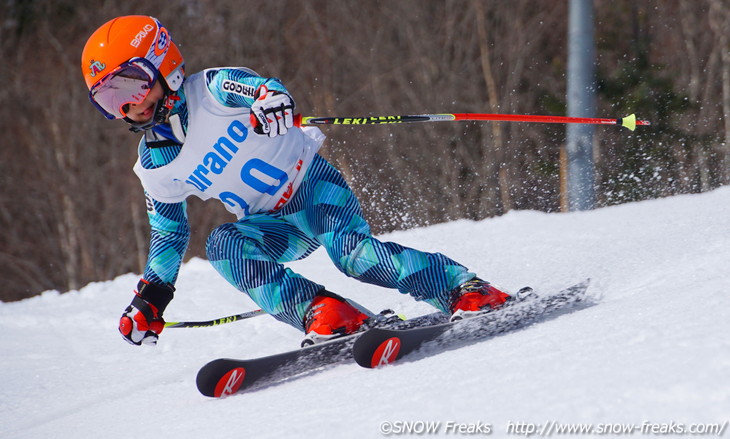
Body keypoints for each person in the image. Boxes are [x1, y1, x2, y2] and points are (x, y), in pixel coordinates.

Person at [81, 15, 513, 347]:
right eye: (110, 99)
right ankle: (325, 312)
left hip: (310, 186)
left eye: (132, 86)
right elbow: (169, 234)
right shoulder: (155, 165)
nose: (129, 107)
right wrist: (151, 297)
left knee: (353, 256)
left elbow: (263, 87)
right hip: (274, 225)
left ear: (162, 63)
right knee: (223, 245)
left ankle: (463, 288)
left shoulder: (212, 89)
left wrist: (272, 102)